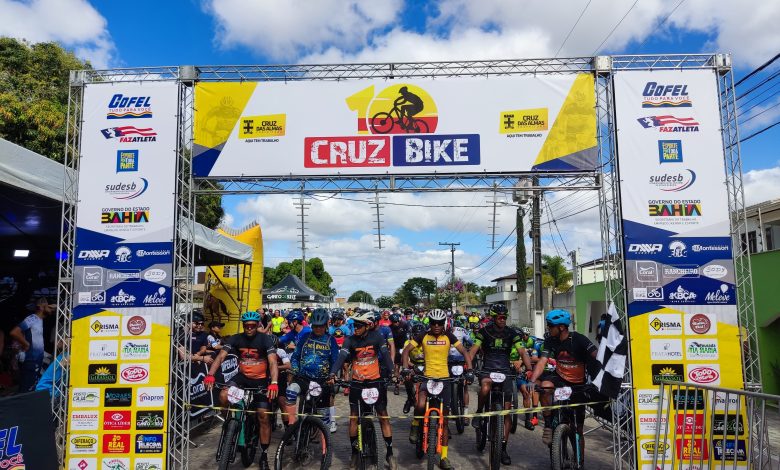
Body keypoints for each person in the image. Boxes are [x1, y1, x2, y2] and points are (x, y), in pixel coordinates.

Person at [205, 311, 279, 470]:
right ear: (243, 325)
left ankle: (264, 455)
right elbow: (220, 357)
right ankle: (230, 424)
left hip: (261, 380)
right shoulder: (236, 338)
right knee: (223, 395)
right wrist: (210, 374)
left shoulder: (265, 339)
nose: (249, 328)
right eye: (246, 326)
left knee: (263, 416)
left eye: (253, 325)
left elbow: (273, 362)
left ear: (257, 325)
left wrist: (274, 382)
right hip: (242, 377)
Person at [402, 309, 472, 470]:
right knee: (420, 405)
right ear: (430, 323)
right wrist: (405, 368)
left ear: (444, 323)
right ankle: (415, 424)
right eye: (433, 323)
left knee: (445, 421)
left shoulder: (449, 336)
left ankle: (444, 458)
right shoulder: (423, 336)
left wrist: (470, 370)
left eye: (439, 323)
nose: (436, 326)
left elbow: (464, 351)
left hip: (444, 379)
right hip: (427, 378)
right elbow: (406, 351)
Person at [329, 310, 397, 470]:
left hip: (375, 381)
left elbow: (386, 355)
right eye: (354, 326)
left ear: (367, 326)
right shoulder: (350, 340)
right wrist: (332, 373)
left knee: (384, 417)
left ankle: (389, 453)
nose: (356, 329)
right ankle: (354, 453)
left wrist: (394, 373)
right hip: (357, 383)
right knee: (353, 418)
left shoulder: (377, 337)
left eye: (359, 326)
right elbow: (341, 357)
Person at [469, 303, 532, 466]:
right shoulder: (484, 332)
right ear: (493, 318)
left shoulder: (512, 333)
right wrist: (468, 366)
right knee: (485, 387)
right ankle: (479, 413)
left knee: (506, 412)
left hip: (505, 372)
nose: (503, 320)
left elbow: (522, 351)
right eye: (500, 317)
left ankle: (503, 448)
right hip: (488, 369)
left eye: (505, 317)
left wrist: (529, 369)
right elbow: (474, 349)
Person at [529, 309, 598, 446]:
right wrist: (532, 381)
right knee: (545, 386)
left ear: (561, 327)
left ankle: (580, 458)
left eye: (550, 325)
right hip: (559, 379)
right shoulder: (550, 340)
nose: (548, 328)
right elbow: (542, 362)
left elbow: (597, 355)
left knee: (578, 430)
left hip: (578, 384)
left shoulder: (579, 339)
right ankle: (548, 425)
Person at [286, 308, 339, 432]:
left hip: (322, 381)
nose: (318, 329)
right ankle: (292, 426)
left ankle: (324, 443)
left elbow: (335, 361)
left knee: (324, 420)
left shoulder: (331, 340)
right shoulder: (305, 337)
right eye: (315, 326)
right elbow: (295, 356)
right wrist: (294, 369)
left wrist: (332, 375)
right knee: (291, 391)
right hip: (303, 378)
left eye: (321, 326)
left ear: (326, 325)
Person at [9, 297, 53, 392]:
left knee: (31, 389)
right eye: (49, 306)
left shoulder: (39, 320)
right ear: (41, 307)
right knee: (26, 390)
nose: (52, 309)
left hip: (36, 361)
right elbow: (14, 332)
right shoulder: (33, 318)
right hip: (31, 360)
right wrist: (26, 344)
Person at [447, 315, 473, 425]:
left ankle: (447, 409)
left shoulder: (446, 332)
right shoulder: (464, 331)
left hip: (448, 361)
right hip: (461, 360)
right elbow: (470, 342)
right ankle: (466, 414)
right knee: (465, 386)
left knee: (447, 384)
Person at [515, 326, 540, 430]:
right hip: (519, 374)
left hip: (530, 374)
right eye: (523, 335)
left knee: (533, 391)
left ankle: (533, 417)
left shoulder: (533, 345)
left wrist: (523, 360)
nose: (524, 336)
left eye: (526, 335)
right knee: (526, 393)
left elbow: (535, 358)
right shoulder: (515, 346)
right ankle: (527, 418)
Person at [401, 321, 426, 414]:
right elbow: (405, 358)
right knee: (407, 378)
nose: (418, 338)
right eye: (416, 335)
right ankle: (410, 399)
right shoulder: (408, 343)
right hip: (413, 364)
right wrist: (409, 367)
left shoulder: (427, 343)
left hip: (426, 365)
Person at [388, 312, 408, 395]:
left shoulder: (404, 325)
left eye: (397, 321)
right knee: (396, 367)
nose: (396, 323)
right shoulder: (389, 328)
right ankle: (397, 386)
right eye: (394, 322)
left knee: (407, 367)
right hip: (396, 348)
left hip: (405, 347)